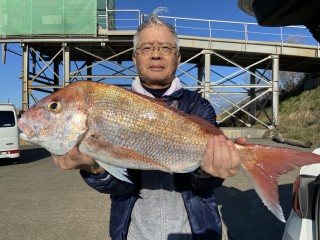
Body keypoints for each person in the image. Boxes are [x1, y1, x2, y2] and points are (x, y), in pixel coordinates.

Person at [52, 8, 246, 240]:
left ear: (178, 57)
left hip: (194, 232)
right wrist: (93, 168)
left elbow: (203, 184)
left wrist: (212, 171)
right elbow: (121, 188)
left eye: (165, 48)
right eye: (147, 48)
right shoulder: (113, 106)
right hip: (135, 233)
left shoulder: (198, 107)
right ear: (134, 58)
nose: (156, 55)